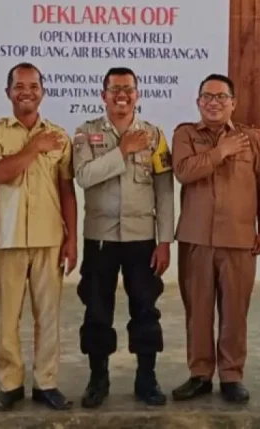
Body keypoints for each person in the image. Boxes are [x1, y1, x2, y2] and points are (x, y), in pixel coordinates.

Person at [170, 73, 260, 404]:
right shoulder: (185, 134)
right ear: (198, 102)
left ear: (233, 103)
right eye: (207, 97)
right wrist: (220, 151)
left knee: (234, 312)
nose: (213, 102)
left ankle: (231, 375)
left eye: (221, 97)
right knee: (198, 310)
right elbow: (184, 171)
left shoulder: (251, 139)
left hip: (239, 239)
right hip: (196, 239)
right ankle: (200, 374)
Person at [72, 67, 174, 409]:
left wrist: (165, 240)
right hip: (100, 237)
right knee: (97, 309)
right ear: (103, 95)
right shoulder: (86, 133)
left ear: (138, 94)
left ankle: (147, 378)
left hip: (142, 238)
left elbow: (164, 190)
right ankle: (97, 379)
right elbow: (84, 176)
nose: (122, 95)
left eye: (128, 89)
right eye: (115, 89)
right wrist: (123, 151)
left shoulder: (155, 135)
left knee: (146, 309)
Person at [0, 62, 78, 412]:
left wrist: (72, 239)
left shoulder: (60, 135)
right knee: (7, 317)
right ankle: (10, 384)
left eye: (34, 85)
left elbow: (67, 189)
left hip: (49, 237)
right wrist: (34, 147)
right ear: (8, 92)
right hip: (6, 239)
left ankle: (46, 383)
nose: (27, 91)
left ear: (43, 91)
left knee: (48, 316)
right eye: (19, 86)